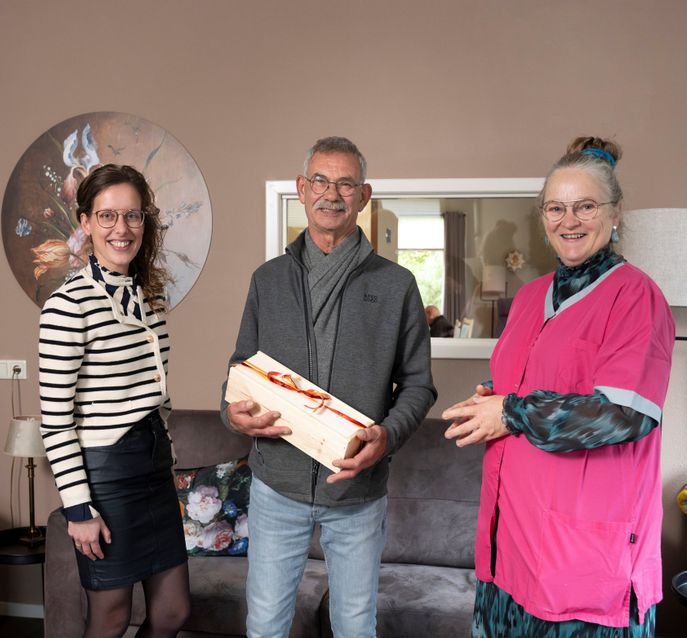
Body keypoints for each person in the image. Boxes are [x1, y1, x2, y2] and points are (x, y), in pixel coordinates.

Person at [442, 137, 675, 637]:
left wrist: (512, 411)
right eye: (556, 208)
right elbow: (530, 381)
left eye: (585, 206)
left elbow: (624, 414)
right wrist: (492, 397)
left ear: (615, 215)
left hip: (582, 554)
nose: (569, 221)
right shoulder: (528, 298)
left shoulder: (637, 296)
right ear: (543, 217)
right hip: (512, 542)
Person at [221, 136, 437, 637]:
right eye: (320, 180)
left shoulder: (396, 284)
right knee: (266, 625)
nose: (331, 193)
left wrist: (386, 437)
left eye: (345, 183)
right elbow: (239, 369)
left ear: (363, 195)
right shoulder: (268, 280)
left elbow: (420, 386)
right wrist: (231, 413)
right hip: (278, 485)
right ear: (301, 188)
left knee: (356, 626)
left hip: (357, 489)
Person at [39, 164, 189, 638]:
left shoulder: (148, 296)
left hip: (152, 467)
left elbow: (155, 393)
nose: (121, 229)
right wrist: (78, 510)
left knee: (172, 612)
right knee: (111, 618)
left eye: (131, 215)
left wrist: (166, 456)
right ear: (85, 222)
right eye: (106, 216)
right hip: (107, 475)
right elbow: (56, 422)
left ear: (145, 221)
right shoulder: (68, 306)